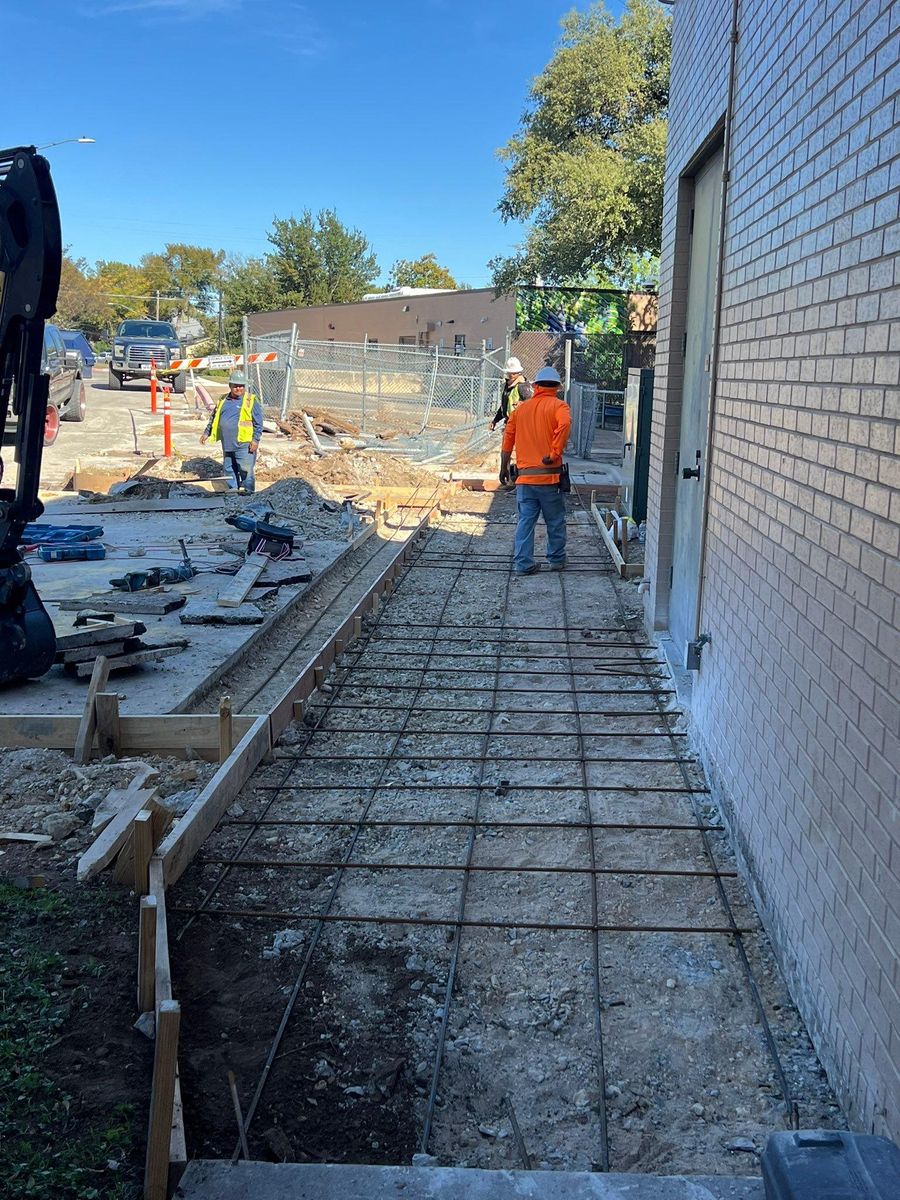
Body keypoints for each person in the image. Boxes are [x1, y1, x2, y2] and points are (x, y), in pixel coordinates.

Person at [500, 365, 571, 576]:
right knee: (555, 521)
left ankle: (523, 564)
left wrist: (503, 466)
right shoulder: (560, 407)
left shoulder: (521, 409)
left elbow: (508, 438)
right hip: (550, 480)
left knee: (525, 523)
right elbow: (565, 425)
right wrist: (554, 452)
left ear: (535, 386)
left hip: (525, 481)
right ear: (557, 387)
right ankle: (556, 560)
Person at [200, 371, 264, 493]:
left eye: (241, 386)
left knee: (245, 468)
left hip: (244, 443)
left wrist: (255, 440)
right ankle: (233, 489)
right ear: (230, 385)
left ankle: (248, 491)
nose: (238, 388)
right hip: (228, 442)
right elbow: (214, 418)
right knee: (229, 467)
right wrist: (206, 432)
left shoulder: (250, 400)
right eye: (235, 385)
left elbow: (259, 423)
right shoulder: (223, 399)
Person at [489, 357, 533, 430]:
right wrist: (495, 420)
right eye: (509, 372)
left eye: (514, 373)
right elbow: (504, 406)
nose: (511, 375)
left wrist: (522, 404)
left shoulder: (522, 386)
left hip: (520, 425)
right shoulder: (507, 386)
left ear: (519, 373)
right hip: (509, 423)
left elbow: (532, 403)